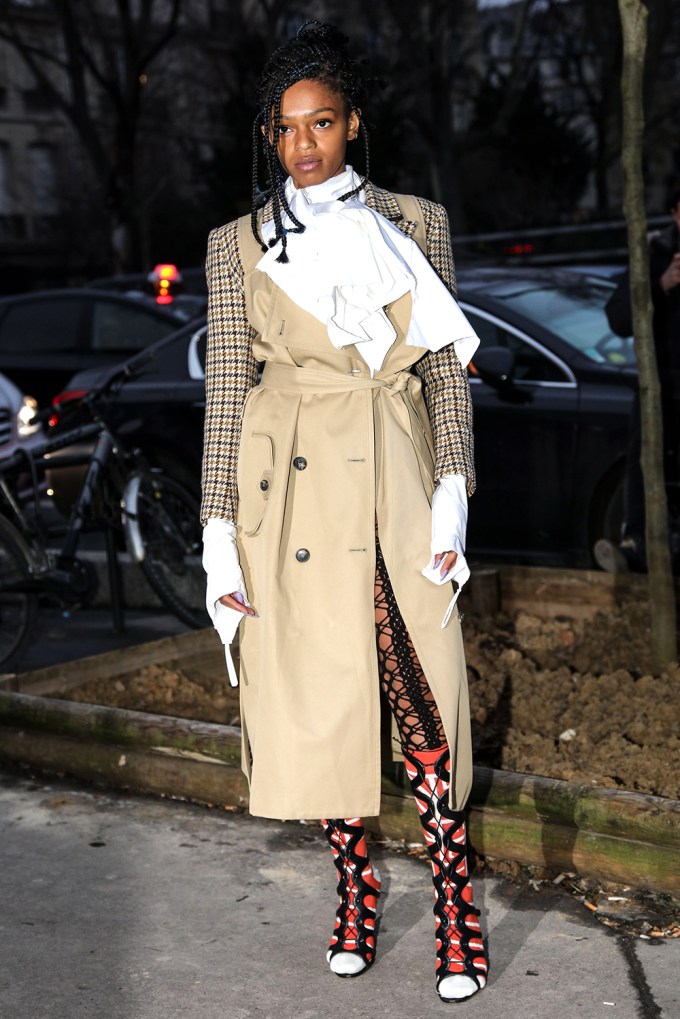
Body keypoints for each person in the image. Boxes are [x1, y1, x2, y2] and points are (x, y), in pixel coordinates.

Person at [200, 21, 487, 1004]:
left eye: (322, 121)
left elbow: (445, 370)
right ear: (269, 137)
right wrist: (213, 531)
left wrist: (452, 489)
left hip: (395, 482)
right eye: (285, 129)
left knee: (423, 695)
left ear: (352, 123)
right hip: (290, 502)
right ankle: (354, 894)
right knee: (323, 706)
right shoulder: (238, 245)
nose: (304, 144)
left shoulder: (415, 222)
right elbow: (226, 394)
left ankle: (454, 905)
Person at [595, 185, 680, 573]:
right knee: (644, 460)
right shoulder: (653, 254)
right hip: (661, 388)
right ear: (675, 214)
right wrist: (660, 286)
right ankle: (636, 544)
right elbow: (618, 318)